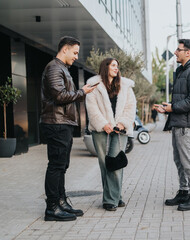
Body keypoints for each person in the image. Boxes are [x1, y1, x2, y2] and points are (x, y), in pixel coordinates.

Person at [40, 36, 97, 221]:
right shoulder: (54, 68)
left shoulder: (62, 68)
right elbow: (59, 96)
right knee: (56, 166)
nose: (76, 56)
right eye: (74, 52)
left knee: (62, 166)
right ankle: (52, 208)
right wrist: (83, 92)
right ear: (64, 49)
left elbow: (65, 94)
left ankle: (61, 202)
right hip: (56, 123)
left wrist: (80, 92)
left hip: (63, 123)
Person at [155, 39, 190, 211]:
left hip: (188, 124)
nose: (175, 53)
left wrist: (174, 107)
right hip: (179, 122)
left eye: (178, 50)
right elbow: (183, 97)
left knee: (188, 161)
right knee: (179, 160)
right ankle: (184, 192)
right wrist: (168, 107)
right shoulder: (182, 70)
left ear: (188, 53)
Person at [86, 58, 136, 211]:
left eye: (117, 65)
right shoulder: (94, 85)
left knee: (115, 164)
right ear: (105, 67)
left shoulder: (126, 86)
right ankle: (116, 196)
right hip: (100, 130)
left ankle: (110, 199)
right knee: (104, 164)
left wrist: (122, 123)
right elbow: (91, 108)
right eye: (113, 65)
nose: (116, 68)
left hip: (120, 130)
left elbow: (130, 106)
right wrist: (103, 124)